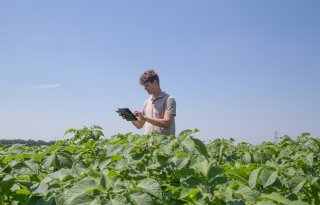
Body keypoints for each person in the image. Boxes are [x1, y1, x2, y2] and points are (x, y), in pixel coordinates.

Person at [132, 70, 176, 135]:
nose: (145, 88)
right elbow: (139, 125)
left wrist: (145, 118)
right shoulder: (147, 102)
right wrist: (130, 117)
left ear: (155, 82)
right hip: (148, 143)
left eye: (147, 85)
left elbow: (167, 123)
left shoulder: (168, 99)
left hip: (164, 144)